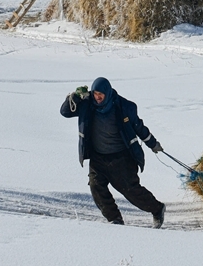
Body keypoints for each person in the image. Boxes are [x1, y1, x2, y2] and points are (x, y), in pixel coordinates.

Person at [59, 77, 166, 227]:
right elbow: (65, 112)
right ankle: (115, 219)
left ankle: (157, 209)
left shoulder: (123, 107)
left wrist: (153, 144)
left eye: (100, 94)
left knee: (130, 191)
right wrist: (75, 97)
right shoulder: (87, 104)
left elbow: (139, 127)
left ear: (107, 93)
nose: (97, 97)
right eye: (95, 93)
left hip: (121, 157)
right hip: (98, 156)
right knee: (96, 187)